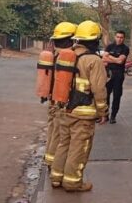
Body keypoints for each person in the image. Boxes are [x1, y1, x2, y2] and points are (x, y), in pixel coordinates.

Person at [49, 20, 108, 192]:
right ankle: (73, 182)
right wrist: (103, 111)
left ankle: (56, 178)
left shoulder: (66, 55)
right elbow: (99, 89)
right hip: (83, 114)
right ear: (94, 40)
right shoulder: (93, 60)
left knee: (63, 144)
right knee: (79, 148)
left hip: (64, 109)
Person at [42, 21, 78, 168]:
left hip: (52, 100)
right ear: (71, 39)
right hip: (61, 102)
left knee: (52, 130)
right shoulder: (69, 57)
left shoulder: (53, 55)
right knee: (59, 134)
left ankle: (49, 158)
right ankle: (53, 163)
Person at [103, 30, 130, 124]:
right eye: (118, 37)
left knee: (117, 96)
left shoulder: (125, 48)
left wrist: (109, 57)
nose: (119, 39)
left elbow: (120, 61)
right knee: (105, 95)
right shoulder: (110, 46)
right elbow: (104, 59)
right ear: (115, 37)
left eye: (121, 37)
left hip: (119, 75)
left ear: (124, 38)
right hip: (109, 74)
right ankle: (105, 115)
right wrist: (115, 59)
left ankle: (113, 116)